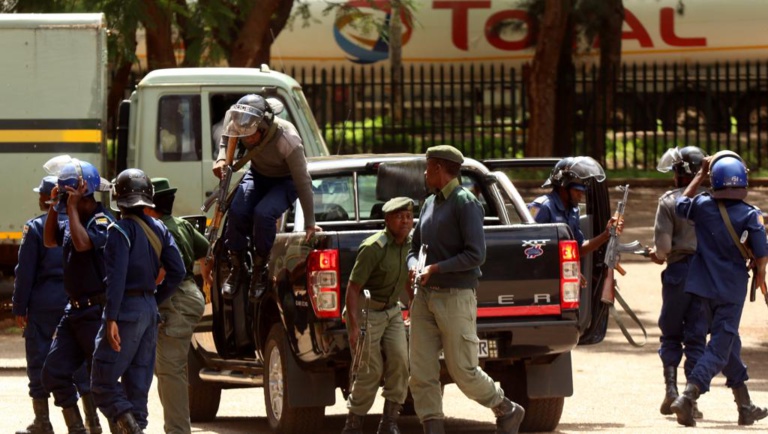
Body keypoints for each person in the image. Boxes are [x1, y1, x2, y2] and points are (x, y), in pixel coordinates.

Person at [406, 145, 524, 434]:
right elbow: (414, 247)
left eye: (427, 166)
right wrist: (413, 265)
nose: (424, 172)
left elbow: (475, 255)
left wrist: (436, 268)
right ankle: (432, 426)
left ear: (438, 168)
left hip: (455, 296)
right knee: (420, 371)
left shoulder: (465, 202)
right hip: (424, 299)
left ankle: (505, 407)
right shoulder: (429, 203)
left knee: (463, 371)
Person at [671, 151, 768, 427]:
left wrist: (700, 173)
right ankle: (688, 396)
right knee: (719, 347)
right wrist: (761, 273)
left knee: (729, 345)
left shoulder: (701, 205)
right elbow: (761, 254)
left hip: (702, 289)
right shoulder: (751, 215)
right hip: (730, 291)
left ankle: (745, 405)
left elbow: (680, 204)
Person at [90, 168, 185, 433]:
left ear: (119, 199)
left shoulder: (119, 230)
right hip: (148, 311)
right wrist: (154, 299)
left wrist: (111, 318)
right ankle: (136, 427)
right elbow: (177, 271)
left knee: (102, 383)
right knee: (137, 390)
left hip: (125, 312)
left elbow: (117, 278)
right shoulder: (160, 228)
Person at [212, 94, 321, 299]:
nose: (246, 139)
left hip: (285, 182)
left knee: (263, 214)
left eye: (252, 134)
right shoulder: (239, 120)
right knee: (236, 211)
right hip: (257, 175)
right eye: (243, 134)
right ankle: (237, 266)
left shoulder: (288, 139)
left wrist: (310, 222)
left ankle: (260, 268)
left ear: (264, 126)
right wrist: (220, 159)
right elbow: (228, 136)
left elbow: (303, 181)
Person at [13, 176, 97, 434]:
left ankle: (43, 422)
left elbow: (25, 273)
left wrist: (19, 308)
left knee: (40, 362)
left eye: (42, 194)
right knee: (80, 364)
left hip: (43, 305)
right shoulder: (79, 225)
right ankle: (92, 423)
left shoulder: (37, 228)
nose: (39, 197)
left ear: (51, 198)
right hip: (75, 302)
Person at [41, 157, 114, 434]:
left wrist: (70, 208)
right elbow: (50, 240)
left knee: (102, 383)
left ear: (84, 193)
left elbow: (83, 245)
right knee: (52, 373)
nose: (65, 202)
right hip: (73, 313)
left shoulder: (101, 219)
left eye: (69, 195)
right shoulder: (74, 218)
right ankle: (77, 430)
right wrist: (54, 206)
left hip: (95, 313)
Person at [342, 197, 414, 434]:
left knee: (401, 363)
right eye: (399, 217)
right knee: (368, 369)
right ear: (387, 220)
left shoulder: (409, 244)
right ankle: (353, 424)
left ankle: (389, 422)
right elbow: (352, 289)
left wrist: (412, 303)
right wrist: (353, 327)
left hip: (392, 311)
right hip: (367, 311)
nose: (405, 221)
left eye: (408, 216)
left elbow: (403, 276)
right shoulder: (374, 247)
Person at [144, 178, 210, 434]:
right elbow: (205, 252)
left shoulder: (156, 230)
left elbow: (162, 272)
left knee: (170, 370)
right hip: (188, 295)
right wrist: (206, 278)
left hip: (176, 299)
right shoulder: (182, 224)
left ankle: (178, 431)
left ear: (150, 206)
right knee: (167, 368)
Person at [648, 146, 708, 418]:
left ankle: (670, 390)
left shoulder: (668, 201)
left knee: (671, 333)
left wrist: (657, 255)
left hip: (676, 274)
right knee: (696, 337)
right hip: (705, 275)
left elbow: (662, 248)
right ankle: (688, 400)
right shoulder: (713, 201)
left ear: (679, 173)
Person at [528, 156, 619, 255]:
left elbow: (578, 249)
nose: (580, 195)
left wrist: (605, 235)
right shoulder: (542, 207)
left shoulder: (573, 210)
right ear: (563, 188)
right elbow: (527, 246)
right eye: (576, 191)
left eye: (582, 191)